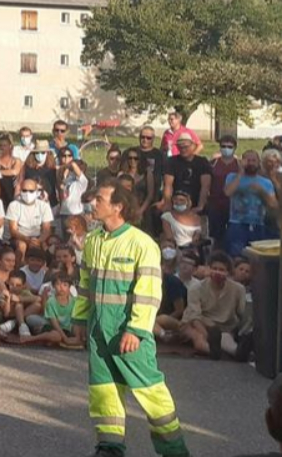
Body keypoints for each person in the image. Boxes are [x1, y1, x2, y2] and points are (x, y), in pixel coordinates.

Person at [73, 180, 189, 457]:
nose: (93, 204)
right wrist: (79, 320)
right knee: (104, 391)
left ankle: (174, 451)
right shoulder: (92, 240)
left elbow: (148, 292)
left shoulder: (142, 244)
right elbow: (85, 283)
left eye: (99, 199)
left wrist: (136, 330)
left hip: (128, 332)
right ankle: (110, 447)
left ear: (118, 206)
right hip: (99, 331)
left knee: (150, 391)